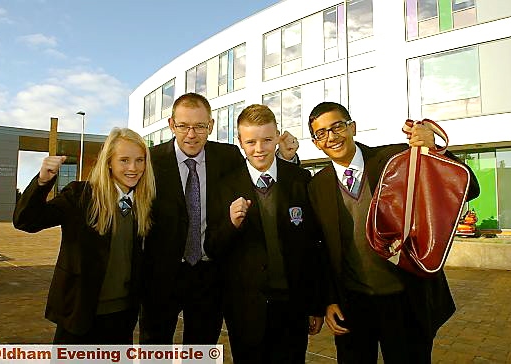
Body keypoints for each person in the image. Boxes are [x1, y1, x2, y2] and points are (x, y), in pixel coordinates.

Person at [306, 102, 480, 363]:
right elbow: (322, 248)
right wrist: (328, 300)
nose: (331, 137)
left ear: (352, 127)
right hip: (353, 306)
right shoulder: (316, 186)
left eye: (337, 126)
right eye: (321, 133)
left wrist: (434, 149)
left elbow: (469, 188)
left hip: (405, 300)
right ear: (316, 142)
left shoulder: (396, 159)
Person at [139, 93, 299, 345]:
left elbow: (259, 175)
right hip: (161, 276)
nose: (191, 134)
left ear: (211, 126)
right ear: (171, 125)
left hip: (210, 276)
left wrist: (285, 159)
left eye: (200, 126)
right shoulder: (150, 161)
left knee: (201, 349)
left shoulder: (228, 156)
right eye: (183, 126)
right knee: (154, 348)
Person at [204, 104, 324, 363]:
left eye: (267, 140)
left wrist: (316, 304)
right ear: (240, 142)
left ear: (277, 136)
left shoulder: (301, 180)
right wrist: (230, 224)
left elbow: (313, 248)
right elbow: (212, 247)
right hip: (245, 311)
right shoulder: (224, 186)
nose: (259, 149)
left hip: (293, 307)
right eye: (251, 142)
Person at [13, 127, 155, 344]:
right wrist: (42, 182)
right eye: (124, 160)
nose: (133, 168)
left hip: (122, 318)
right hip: (79, 316)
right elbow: (26, 221)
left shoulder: (144, 204)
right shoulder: (80, 196)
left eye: (139, 160)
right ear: (109, 162)